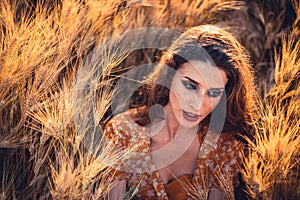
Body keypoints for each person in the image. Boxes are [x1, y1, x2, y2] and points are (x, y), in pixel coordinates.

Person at [103, 25, 258, 200]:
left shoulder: (225, 146)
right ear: (170, 75)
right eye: (191, 85)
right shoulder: (122, 132)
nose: (198, 105)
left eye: (213, 93)